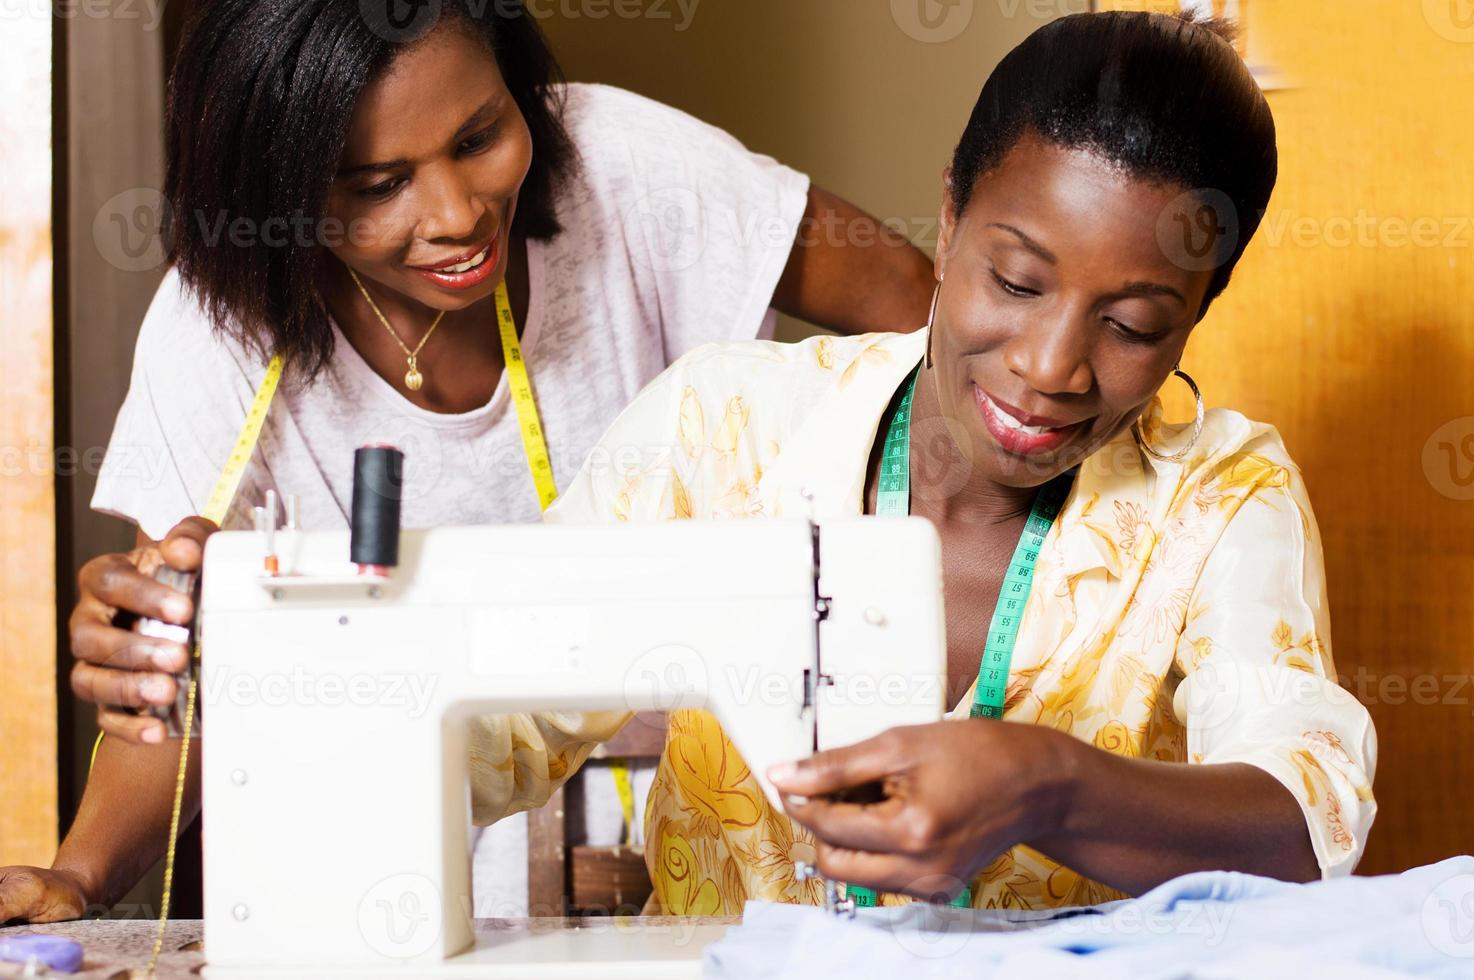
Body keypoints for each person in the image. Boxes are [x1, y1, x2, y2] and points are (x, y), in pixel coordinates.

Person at [0, 0, 932, 924]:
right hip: (400, 877)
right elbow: (183, 660)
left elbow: (937, 329)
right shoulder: (217, 334)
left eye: (481, 135)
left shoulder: (630, 168)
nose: (457, 213)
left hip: (708, 842)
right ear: (275, 194)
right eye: (376, 185)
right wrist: (78, 876)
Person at [474, 10, 1378, 912]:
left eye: (1134, 325)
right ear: (949, 218)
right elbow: (498, 715)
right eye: (1017, 282)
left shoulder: (1223, 498)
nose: (1049, 366)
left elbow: (1304, 822)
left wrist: (1049, 784)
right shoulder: (725, 426)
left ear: (1198, 309)